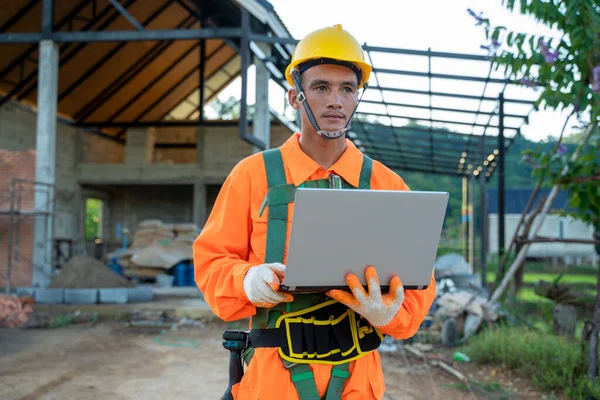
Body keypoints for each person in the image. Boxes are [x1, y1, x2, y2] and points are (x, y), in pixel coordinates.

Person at [193, 24, 437, 400]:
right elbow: (211, 263)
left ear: (358, 98)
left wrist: (391, 314)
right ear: (295, 97)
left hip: (357, 380)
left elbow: (420, 287)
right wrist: (246, 279)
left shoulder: (387, 184)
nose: (335, 100)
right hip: (274, 380)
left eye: (347, 89)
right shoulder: (252, 176)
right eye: (321, 87)